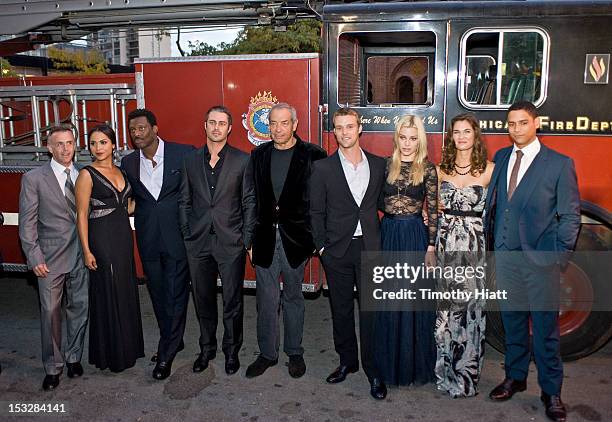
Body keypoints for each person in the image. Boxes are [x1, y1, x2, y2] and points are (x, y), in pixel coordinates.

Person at [485, 101, 580, 422]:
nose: (516, 129)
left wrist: (558, 257)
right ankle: (515, 377)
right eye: (511, 124)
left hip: (541, 262)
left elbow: (570, 216)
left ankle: (551, 391)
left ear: (535, 123)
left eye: (522, 123)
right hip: (505, 259)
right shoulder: (500, 158)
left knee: (545, 331)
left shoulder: (558, 164)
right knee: (512, 324)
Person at [244, 102, 327, 379]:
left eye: (283, 123)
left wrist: (316, 238)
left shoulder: (313, 155)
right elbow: (251, 199)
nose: (278, 129)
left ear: (294, 124)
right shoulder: (258, 155)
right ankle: (267, 354)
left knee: (293, 297)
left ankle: (294, 351)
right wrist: (250, 239)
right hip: (265, 238)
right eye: (273, 123)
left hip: (297, 239)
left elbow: (320, 200)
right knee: (266, 300)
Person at [310, 107, 387, 400]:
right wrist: (322, 248)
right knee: (340, 310)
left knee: (371, 312)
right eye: (339, 127)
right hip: (337, 250)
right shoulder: (322, 169)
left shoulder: (379, 165)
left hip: (369, 247)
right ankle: (347, 362)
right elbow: (315, 212)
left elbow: (385, 204)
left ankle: (374, 370)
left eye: (350, 126)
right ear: (334, 131)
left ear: (359, 129)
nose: (345, 132)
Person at [178, 106, 256, 375]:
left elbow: (248, 201)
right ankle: (206, 348)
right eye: (212, 122)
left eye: (222, 123)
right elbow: (184, 200)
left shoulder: (242, 160)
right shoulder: (190, 160)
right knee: (202, 299)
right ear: (205, 125)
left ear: (229, 128)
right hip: (198, 242)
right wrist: (187, 232)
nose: (216, 127)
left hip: (230, 242)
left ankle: (231, 351)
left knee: (233, 301)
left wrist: (246, 239)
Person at [122, 109, 195, 380]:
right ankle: (174, 339)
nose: (137, 133)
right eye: (132, 130)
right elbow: (129, 198)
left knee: (176, 294)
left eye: (142, 128)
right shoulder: (128, 163)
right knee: (158, 293)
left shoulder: (183, 153)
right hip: (148, 238)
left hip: (177, 238)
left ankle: (166, 354)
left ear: (155, 128)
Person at [18, 125, 89, 390]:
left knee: (79, 309)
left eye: (70, 143)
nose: (65, 148)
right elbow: (27, 223)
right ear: (49, 147)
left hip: (81, 255)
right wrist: (34, 256)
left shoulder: (84, 174)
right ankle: (52, 366)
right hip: (49, 258)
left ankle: (73, 358)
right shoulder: (34, 178)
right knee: (50, 313)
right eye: (59, 144)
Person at [75, 124, 144, 373]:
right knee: (109, 288)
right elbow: (81, 214)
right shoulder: (86, 174)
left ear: (113, 144)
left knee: (125, 287)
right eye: (93, 143)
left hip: (122, 234)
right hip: (101, 237)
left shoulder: (122, 171)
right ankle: (112, 354)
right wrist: (86, 250)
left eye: (103, 142)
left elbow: (126, 206)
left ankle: (128, 349)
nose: (98, 148)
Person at [375, 114, 438, 387]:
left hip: (414, 236)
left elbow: (434, 212)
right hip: (389, 235)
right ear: (396, 138)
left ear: (420, 140)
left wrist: (431, 246)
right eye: (403, 137)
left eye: (413, 138)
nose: (408, 143)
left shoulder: (428, 168)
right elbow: (375, 201)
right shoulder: (385, 165)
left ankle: (413, 368)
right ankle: (388, 367)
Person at [434, 113, 494, 398]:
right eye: (456, 132)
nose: (461, 137)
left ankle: (467, 375)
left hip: (473, 247)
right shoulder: (440, 169)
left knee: (470, 311)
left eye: (466, 132)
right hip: (445, 243)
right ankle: (445, 373)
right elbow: (433, 210)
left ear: (475, 135)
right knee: (446, 313)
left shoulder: (490, 170)